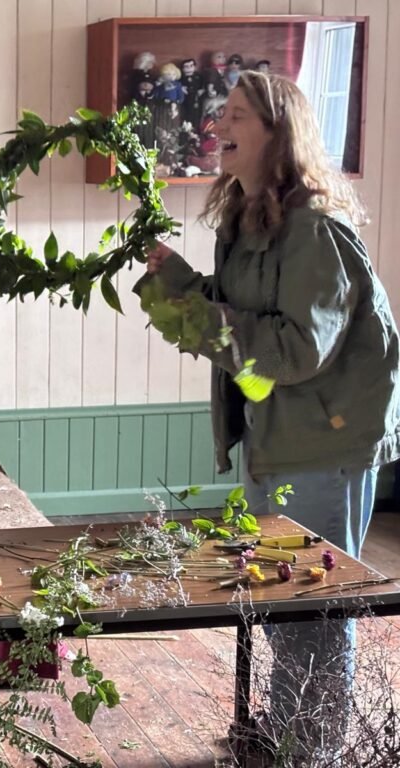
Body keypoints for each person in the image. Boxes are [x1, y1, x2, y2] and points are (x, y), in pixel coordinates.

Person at [141, 71, 400, 761]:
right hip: (274, 435)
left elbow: (297, 348)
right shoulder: (245, 220)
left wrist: (200, 320)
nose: (218, 122)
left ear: (276, 134)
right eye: (221, 112)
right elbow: (240, 322)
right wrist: (176, 284)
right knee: (284, 597)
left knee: (316, 605)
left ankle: (309, 750)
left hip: (325, 438)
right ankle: (290, 733)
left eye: (236, 115)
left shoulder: (314, 230)